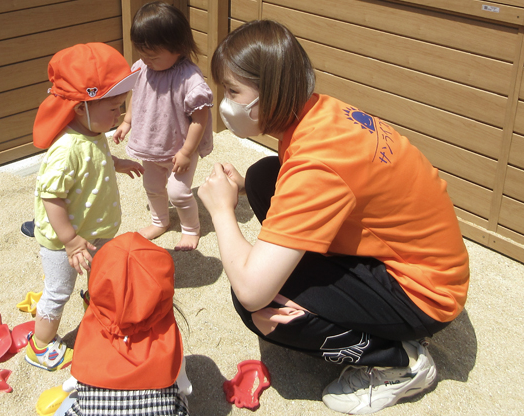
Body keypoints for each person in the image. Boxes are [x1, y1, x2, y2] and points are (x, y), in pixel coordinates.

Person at [198, 20, 470, 414]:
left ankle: (399, 363)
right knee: (261, 179)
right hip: (419, 259)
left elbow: (250, 288)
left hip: (425, 293)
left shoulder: (319, 166)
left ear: (269, 93)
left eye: (234, 91)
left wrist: (222, 210)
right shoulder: (322, 112)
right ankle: (344, 308)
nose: (226, 103)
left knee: (258, 306)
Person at [26, 43, 144, 371]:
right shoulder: (66, 149)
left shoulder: (94, 132)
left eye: (120, 108)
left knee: (101, 274)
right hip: (66, 241)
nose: (119, 115)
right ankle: (40, 345)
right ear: (80, 107)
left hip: (94, 231)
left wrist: (116, 163)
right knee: (59, 290)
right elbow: (52, 197)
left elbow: (95, 160)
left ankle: (95, 308)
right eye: (114, 109)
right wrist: (70, 241)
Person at [113, 1, 214, 251]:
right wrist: (127, 121)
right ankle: (160, 222)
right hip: (150, 144)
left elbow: (200, 119)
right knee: (153, 187)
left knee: (178, 193)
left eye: (153, 55)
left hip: (178, 150)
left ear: (178, 48)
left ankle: (191, 229)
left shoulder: (189, 78)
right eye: (142, 53)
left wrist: (187, 152)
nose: (146, 60)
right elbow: (136, 95)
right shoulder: (143, 68)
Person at [56, 232, 192, 416]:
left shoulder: (90, 336)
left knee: (69, 403)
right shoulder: (167, 338)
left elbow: (77, 379)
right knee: (178, 399)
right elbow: (184, 387)